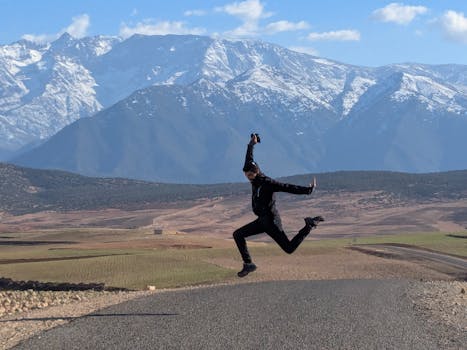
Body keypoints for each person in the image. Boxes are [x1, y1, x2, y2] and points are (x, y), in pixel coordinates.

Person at [233, 133, 324, 277]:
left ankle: (309, 226)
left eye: (249, 175)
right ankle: (248, 264)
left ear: (256, 173)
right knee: (238, 234)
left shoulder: (268, 183)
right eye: (246, 175)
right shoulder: (254, 177)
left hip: (271, 221)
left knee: (288, 249)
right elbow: (249, 159)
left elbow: (287, 187)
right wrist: (251, 144)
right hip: (261, 220)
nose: (248, 178)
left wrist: (307, 190)